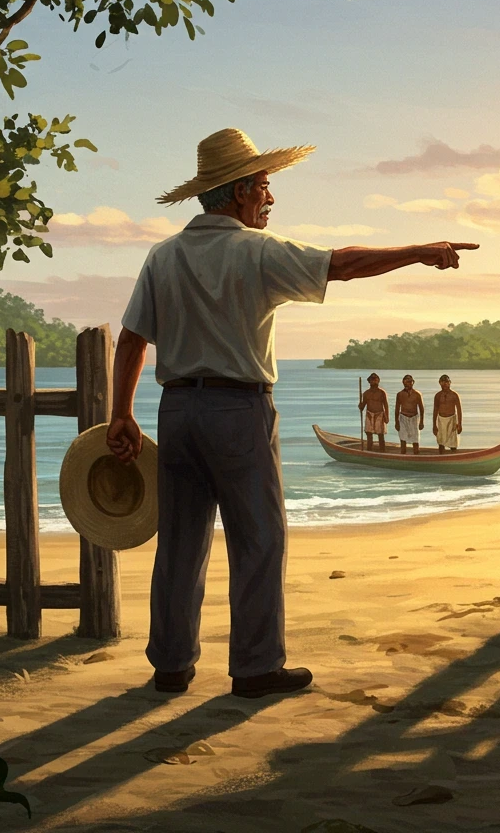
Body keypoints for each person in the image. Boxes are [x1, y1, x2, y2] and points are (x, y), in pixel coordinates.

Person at [106, 128, 477, 698]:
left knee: (180, 540)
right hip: (239, 408)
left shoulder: (163, 256)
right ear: (239, 193)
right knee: (259, 537)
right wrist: (420, 251)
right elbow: (344, 264)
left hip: (177, 409)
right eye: (265, 186)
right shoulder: (256, 252)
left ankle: (171, 666)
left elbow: (131, 341)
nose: (271, 198)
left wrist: (122, 414)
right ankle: (254, 668)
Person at [359, 373, 389, 451]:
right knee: (369, 433)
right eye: (372, 380)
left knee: (380, 434)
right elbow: (363, 406)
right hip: (369, 414)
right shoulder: (366, 393)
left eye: (376, 380)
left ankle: (382, 451)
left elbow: (386, 405)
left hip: (380, 414)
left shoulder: (382, 392)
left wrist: (387, 416)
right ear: (369, 381)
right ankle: (369, 450)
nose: (374, 382)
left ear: (378, 381)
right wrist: (360, 406)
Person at [395, 375, 424, 454]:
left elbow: (421, 409)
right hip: (403, 418)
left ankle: (416, 455)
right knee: (403, 438)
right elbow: (397, 409)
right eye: (406, 381)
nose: (408, 383)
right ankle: (403, 455)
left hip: (414, 418)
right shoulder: (400, 394)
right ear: (403, 382)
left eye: (410, 381)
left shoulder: (417, 394)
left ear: (413, 382)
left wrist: (421, 422)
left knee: (415, 439)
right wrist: (397, 422)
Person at [433, 375, 463, 452]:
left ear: (450, 383)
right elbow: (435, 410)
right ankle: (440, 459)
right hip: (441, 420)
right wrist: (434, 425)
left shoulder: (454, 395)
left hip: (452, 419)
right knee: (441, 442)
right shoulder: (438, 395)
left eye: (446, 382)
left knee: (453, 443)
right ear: (440, 383)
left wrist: (459, 424)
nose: (445, 384)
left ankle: (453, 458)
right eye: (443, 382)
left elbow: (459, 410)